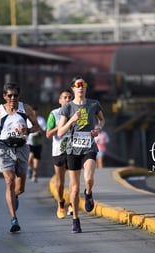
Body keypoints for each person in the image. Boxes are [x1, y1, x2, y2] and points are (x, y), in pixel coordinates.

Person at [0, 82, 41, 233]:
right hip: (4, 148)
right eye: (9, 95)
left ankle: (14, 196)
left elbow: (37, 127)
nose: (12, 98)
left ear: (19, 95)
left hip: (22, 148)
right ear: (4, 96)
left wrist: (28, 130)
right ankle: (13, 219)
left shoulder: (26, 108)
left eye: (15, 95)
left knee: (20, 188)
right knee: (9, 181)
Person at [57, 76, 105, 233]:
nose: (81, 87)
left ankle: (89, 193)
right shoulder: (68, 107)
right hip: (72, 150)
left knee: (89, 179)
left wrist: (97, 129)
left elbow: (102, 121)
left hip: (89, 146)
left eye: (83, 84)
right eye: (78, 85)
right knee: (75, 188)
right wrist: (72, 120)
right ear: (73, 88)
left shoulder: (93, 104)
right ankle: (76, 219)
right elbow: (60, 132)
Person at [46, 88, 73, 219]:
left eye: (70, 97)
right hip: (58, 151)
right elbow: (48, 134)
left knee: (74, 179)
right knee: (60, 181)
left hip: (74, 150)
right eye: (65, 97)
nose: (67, 100)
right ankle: (61, 202)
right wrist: (60, 126)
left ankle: (72, 203)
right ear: (60, 100)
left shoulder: (77, 113)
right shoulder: (54, 114)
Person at [26, 106, 46, 183]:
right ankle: (29, 168)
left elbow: (44, 131)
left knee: (36, 160)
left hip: (38, 141)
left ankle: (34, 175)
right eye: (33, 111)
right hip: (29, 142)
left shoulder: (41, 120)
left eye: (35, 112)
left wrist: (38, 128)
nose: (34, 113)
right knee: (30, 156)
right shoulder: (27, 119)